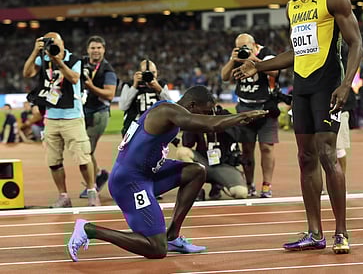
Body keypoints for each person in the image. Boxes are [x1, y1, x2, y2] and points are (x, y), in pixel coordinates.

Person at [234, 0, 363, 253]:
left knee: (328, 154)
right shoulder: (293, 7)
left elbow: (356, 42)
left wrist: (346, 85)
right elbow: (294, 53)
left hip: (328, 84)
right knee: (305, 157)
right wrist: (259, 65)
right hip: (301, 87)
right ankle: (314, 233)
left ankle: (340, 233)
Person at [67, 85, 267, 262]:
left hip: (148, 174)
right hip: (130, 182)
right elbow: (208, 124)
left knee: (196, 171)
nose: (210, 114)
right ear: (193, 105)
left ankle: (173, 236)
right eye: (207, 111)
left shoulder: (172, 112)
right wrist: (240, 117)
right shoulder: (166, 110)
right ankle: (89, 229)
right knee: (156, 248)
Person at [22, 32, 99, 207]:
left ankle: (92, 190)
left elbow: (73, 78)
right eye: (50, 44)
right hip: (51, 117)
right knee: (53, 161)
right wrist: (35, 52)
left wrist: (57, 60)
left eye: (56, 43)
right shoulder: (44, 59)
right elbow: (27, 73)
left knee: (83, 158)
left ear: (63, 43)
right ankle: (63, 196)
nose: (54, 47)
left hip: (72, 116)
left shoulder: (75, 60)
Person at [221, 33, 279, 198]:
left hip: (266, 107)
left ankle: (267, 185)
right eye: (239, 48)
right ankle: (249, 183)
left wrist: (255, 60)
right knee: (246, 149)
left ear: (254, 45)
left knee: (267, 147)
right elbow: (224, 77)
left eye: (245, 47)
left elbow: (275, 71)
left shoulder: (266, 53)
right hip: (245, 107)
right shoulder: (238, 57)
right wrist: (233, 60)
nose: (242, 51)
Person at [176, 104, 247, 200]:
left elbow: (238, 135)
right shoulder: (197, 119)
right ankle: (196, 189)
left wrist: (217, 124)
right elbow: (187, 143)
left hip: (224, 165)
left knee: (241, 193)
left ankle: (219, 184)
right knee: (182, 152)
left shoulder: (224, 115)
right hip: (203, 163)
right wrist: (191, 125)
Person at [79, 35, 117, 198]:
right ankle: (99, 175)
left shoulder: (107, 70)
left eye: (99, 47)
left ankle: (92, 185)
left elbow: (110, 94)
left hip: (99, 113)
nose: (95, 51)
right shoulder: (81, 64)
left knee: (86, 151)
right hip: (83, 113)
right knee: (86, 150)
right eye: (93, 47)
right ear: (87, 50)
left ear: (104, 50)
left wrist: (90, 86)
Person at [119, 59, 171, 137]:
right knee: (132, 149)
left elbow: (171, 106)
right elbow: (123, 106)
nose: (150, 75)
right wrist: (134, 86)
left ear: (157, 72)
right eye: (145, 73)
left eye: (153, 72)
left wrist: (159, 89)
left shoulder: (161, 85)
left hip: (155, 126)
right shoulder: (129, 85)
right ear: (139, 73)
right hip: (134, 125)